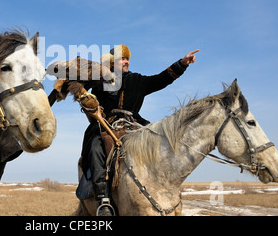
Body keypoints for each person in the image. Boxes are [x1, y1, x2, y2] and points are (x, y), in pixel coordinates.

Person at [81, 44, 199, 216]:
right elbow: (91, 110)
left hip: (133, 124)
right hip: (107, 126)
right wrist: (87, 103)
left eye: (128, 58)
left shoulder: (138, 80)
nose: (126, 61)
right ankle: (103, 198)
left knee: (160, 142)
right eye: (122, 59)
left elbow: (162, 78)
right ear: (112, 63)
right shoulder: (100, 84)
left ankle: (165, 191)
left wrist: (182, 64)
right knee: (96, 145)